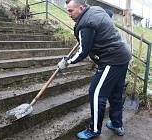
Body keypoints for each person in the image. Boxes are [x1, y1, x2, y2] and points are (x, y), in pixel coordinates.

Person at [57, 0, 132, 139]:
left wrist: (67, 62)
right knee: (115, 93)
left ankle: (94, 129)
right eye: (67, 10)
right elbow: (108, 13)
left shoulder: (86, 24)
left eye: (71, 10)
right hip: (123, 55)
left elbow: (83, 51)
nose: (68, 14)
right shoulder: (96, 9)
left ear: (81, 7)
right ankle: (117, 124)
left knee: (96, 93)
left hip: (111, 59)